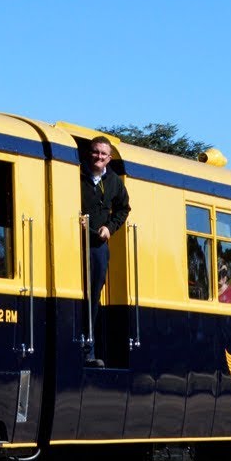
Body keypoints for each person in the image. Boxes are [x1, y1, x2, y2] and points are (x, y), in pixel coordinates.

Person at [80, 136, 131, 366]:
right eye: (95, 152)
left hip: (98, 246)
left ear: (109, 158)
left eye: (103, 154)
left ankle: (87, 350)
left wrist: (110, 228)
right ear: (89, 153)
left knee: (93, 295)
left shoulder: (113, 182)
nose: (99, 157)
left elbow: (123, 208)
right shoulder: (76, 174)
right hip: (74, 241)